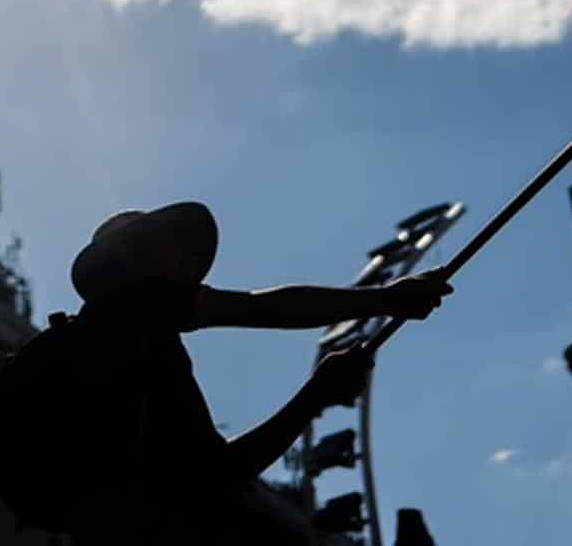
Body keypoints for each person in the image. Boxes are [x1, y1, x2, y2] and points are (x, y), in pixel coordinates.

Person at [61, 201, 452, 544]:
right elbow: (216, 475)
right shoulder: (137, 341)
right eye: (162, 249)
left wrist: (382, 302)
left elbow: (264, 308)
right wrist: (318, 391)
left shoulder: (102, 342)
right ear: (130, 264)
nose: (180, 263)